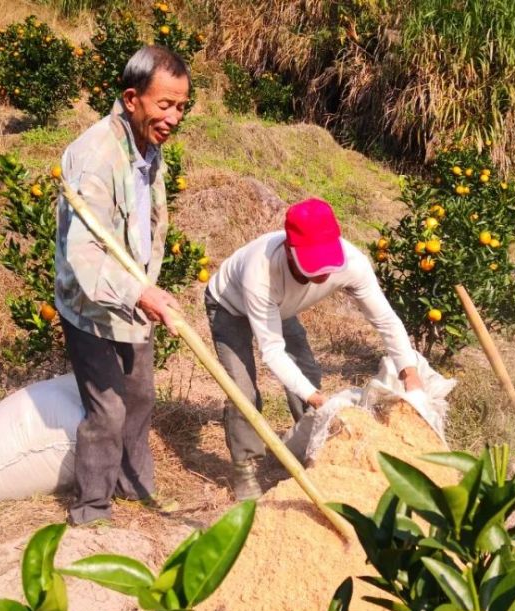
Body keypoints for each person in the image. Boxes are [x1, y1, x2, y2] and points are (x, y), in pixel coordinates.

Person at [205, 198, 425, 500]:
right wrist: (315, 396)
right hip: (230, 306)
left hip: (280, 308)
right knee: (243, 391)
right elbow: (272, 350)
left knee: (307, 370)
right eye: (313, 263)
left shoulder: (352, 262)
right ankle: (246, 468)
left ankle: (309, 445)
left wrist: (409, 373)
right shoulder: (262, 269)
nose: (323, 272)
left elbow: (385, 320)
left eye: (326, 262)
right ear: (289, 251)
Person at [54, 45, 189, 525]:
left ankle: (134, 486)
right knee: (108, 410)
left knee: (140, 397)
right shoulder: (97, 156)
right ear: (132, 98)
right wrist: (140, 293)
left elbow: (140, 226)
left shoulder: (148, 148)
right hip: (91, 304)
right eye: (164, 105)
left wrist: (146, 289)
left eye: (180, 107)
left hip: (133, 298)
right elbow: (85, 256)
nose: (173, 117)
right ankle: (92, 508)